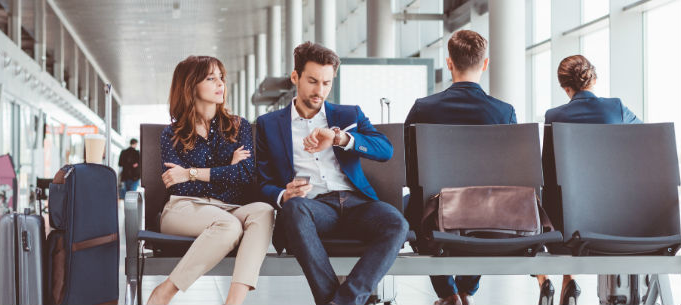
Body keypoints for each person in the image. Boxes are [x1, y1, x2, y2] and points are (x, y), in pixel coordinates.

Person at [255, 41, 409, 305]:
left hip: (357, 203)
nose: (320, 91)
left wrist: (339, 138)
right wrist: (284, 194)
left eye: (327, 83)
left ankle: (342, 302)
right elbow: (261, 182)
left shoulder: (348, 114)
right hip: (314, 208)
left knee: (398, 224)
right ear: (295, 77)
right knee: (294, 209)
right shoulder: (268, 124)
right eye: (313, 81)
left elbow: (385, 150)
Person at [147, 55, 274, 305]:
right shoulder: (171, 134)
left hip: (228, 209)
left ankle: (233, 302)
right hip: (183, 208)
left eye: (221, 78)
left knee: (264, 211)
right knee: (229, 226)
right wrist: (227, 168)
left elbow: (246, 175)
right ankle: (166, 291)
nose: (220, 84)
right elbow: (180, 185)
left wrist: (191, 171)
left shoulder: (239, 126)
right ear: (190, 85)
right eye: (211, 78)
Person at [404, 29, 516, 305]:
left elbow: (408, 168)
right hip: (489, 218)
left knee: (413, 202)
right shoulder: (504, 112)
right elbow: (513, 171)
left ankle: (448, 293)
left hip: (433, 214)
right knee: (482, 206)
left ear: (449, 63)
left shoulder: (423, 109)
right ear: (485, 64)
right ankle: (467, 291)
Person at [535, 54, 642, 305]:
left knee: (546, 212)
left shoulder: (554, 115)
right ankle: (566, 282)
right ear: (593, 78)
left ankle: (546, 280)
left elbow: (547, 173)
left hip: (566, 225)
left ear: (564, 87)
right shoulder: (616, 108)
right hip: (614, 219)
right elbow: (644, 140)